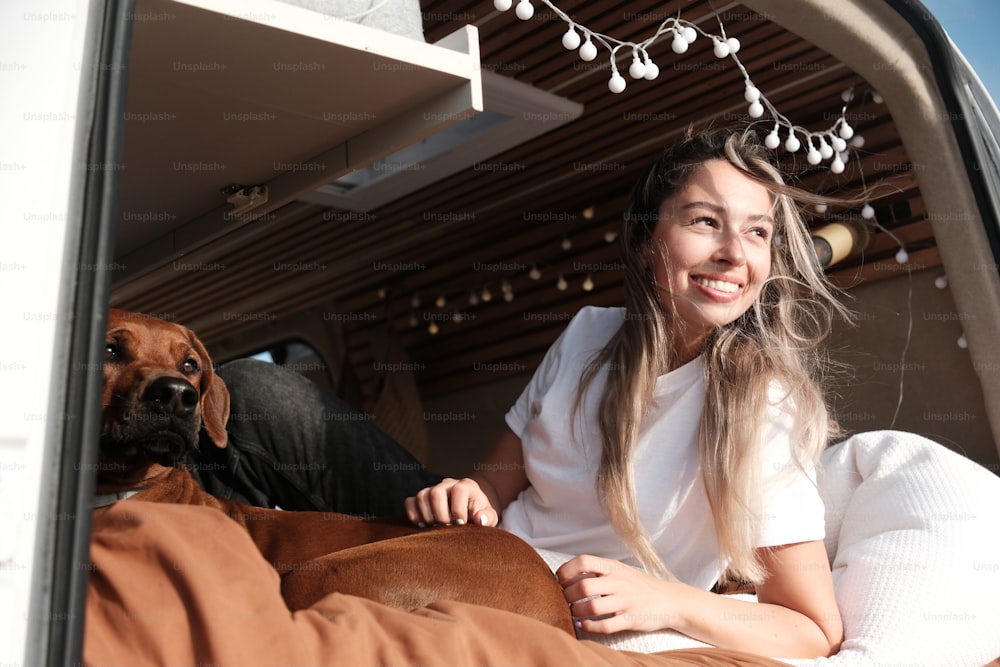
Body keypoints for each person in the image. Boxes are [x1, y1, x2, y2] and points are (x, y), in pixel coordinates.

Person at [403, 128, 846, 659]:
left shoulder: (763, 402)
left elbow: (813, 629)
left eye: (757, 232)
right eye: (706, 221)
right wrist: (467, 495)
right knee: (274, 406)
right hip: (473, 556)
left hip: (542, 609)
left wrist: (669, 601)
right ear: (643, 241)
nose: (733, 253)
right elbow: (494, 484)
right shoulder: (587, 332)